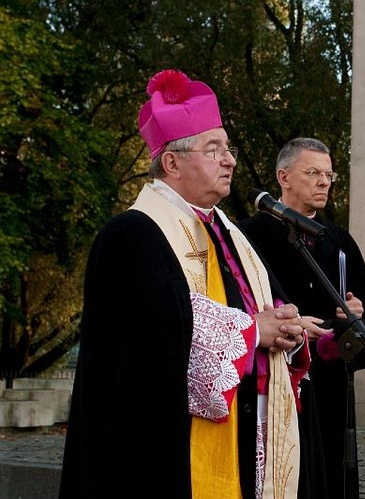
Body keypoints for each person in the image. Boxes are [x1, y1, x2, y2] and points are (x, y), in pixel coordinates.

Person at [59, 69, 312, 499]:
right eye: (214, 150)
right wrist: (252, 333)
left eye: (227, 148)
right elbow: (152, 339)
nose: (230, 159)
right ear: (172, 163)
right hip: (160, 455)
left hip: (241, 438)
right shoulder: (132, 234)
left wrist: (284, 324)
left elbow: (251, 309)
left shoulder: (230, 235)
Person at [240, 137, 365, 499]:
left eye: (329, 175)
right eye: (313, 172)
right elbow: (237, 308)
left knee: (329, 476)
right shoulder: (247, 236)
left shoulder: (341, 242)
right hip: (274, 382)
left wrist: (356, 316)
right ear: (283, 176)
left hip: (329, 386)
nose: (324, 182)